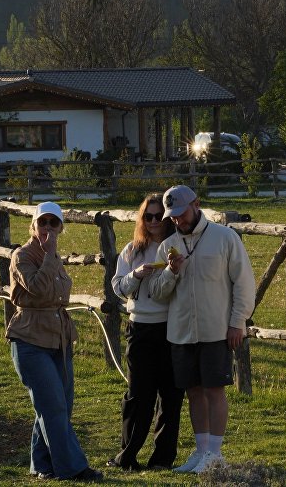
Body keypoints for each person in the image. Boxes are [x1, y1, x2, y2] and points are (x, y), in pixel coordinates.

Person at [149, 185, 256, 474]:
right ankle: (201, 451)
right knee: (194, 392)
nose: (176, 221)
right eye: (171, 217)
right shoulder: (167, 245)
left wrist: (238, 322)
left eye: (180, 214)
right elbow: (157, 292)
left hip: (217, 330)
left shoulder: (225, 238)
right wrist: (172, 271)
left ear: (196, 205)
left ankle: (215, 454)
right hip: (182, 332)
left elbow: (244, 283)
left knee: (214, 390)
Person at [6, 201, 103, 482]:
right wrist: (48, 256)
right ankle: (73, 468)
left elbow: (58, 296)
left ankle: (42, 465)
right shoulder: (22, 256)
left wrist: (51, 256)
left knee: (58, 405)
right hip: (29, 339)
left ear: (61, 227)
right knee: (53, 407)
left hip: (59, 339)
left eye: (54, 223)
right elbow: (36, 288)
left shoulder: (54, 257)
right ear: (33, 225)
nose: (48, 228)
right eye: (43, 222)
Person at [107, 194, 184, 471]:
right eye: (148, 216)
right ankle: (127, 455)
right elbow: (117, 288)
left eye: (158, 216)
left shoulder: (175, 247)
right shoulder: (132, 250)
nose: (153, 221)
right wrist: (136, 274)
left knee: (171, 395)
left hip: (171, 327)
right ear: (142, 219)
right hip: (140, 326)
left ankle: (162, 459)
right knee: (139, 394)